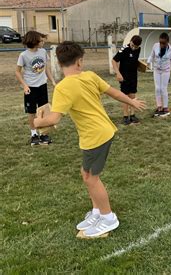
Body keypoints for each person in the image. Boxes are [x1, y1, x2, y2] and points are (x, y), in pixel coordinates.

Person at [34, 41, 146, 238]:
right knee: (85, 174)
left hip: (96, 136)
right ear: (80, 62)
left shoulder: (62, 87)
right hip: (99, 133)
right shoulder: (90, 76)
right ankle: (96, 212)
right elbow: (114, 92)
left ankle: (108, 217)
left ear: (59, 63)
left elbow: (54, 119)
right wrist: (132, 101)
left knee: (91, 178)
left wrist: (37, 121)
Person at [15, 30, 56, 146]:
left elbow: (46, 68)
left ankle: (43, 134)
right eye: (41, 40)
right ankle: (33, 134)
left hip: (42, 85)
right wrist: (25, 85)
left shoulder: (43, 52)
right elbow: (17, 72)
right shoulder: (23, 55)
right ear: (34, 42)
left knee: (44, 110)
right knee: (32, 112)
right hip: (30, 87)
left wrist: (52, 81)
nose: (43, 42)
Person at [148, 32, 171, 117]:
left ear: (167, 42)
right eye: (160, 43)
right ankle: (159, 107)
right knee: (157, 88)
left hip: (166, 71)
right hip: (156, 70)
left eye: (164, 43)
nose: (162, 45)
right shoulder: (155, 46)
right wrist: (148, 62)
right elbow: (151, 56)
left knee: (163, 88)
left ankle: (165, 107)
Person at [111, 35, 142, 125]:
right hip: (124, 77)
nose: (133, 47)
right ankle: (125, 116)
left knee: (132, 95)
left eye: (136, 47)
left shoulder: (138, 50)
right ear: (131, 41)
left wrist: (142, 67)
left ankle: (132, 115)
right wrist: (118, 73)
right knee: (125, 96)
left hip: (133, 76)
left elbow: (135, 61)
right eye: (132, 45)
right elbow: (114, 61)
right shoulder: (124, 49)